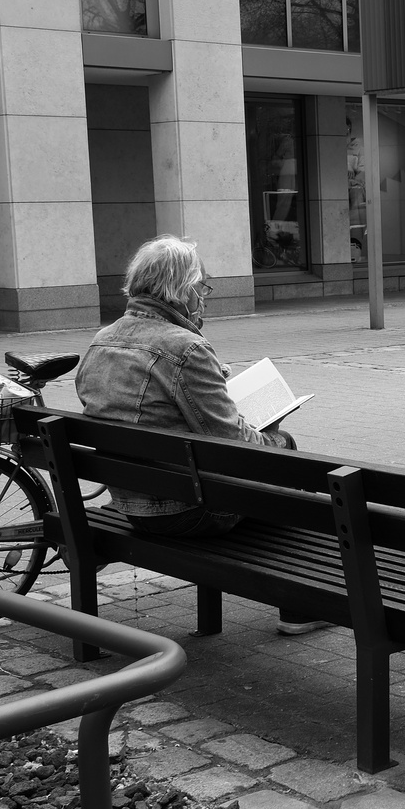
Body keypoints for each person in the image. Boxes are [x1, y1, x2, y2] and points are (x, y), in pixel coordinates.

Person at [75, 235, 327, 635]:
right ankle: (300, 607)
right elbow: (231, 442)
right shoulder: (185, 347)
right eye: (200, 288)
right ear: (180, 290)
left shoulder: (101, 340)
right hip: (184, 510)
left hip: (127, 498)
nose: (203, 298)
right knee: (292, 472)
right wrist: (279, 442)